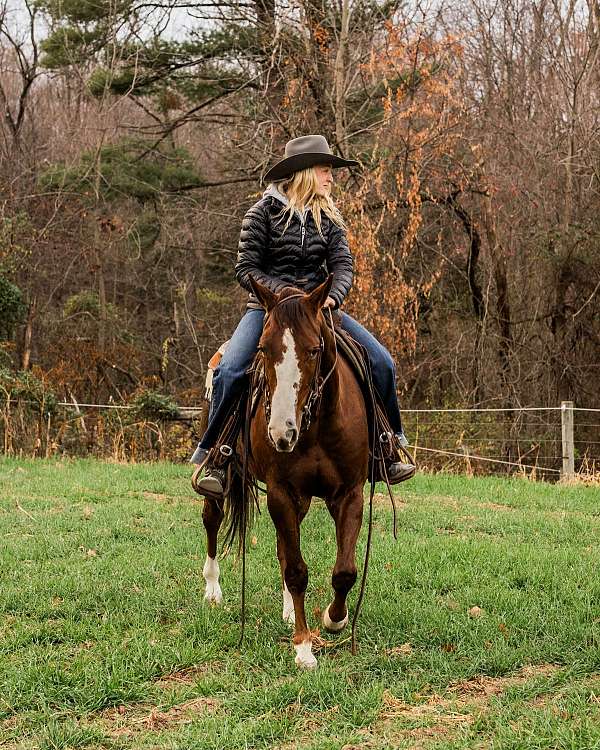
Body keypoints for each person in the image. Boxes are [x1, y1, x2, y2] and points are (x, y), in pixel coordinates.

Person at [190, 134, 414, 496]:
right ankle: (218, 454)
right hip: (268, 312)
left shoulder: (329, 217)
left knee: (382, 362)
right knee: (230, 369)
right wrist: (284, 298)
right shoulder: (261, 213)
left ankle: (386, 447)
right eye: (326, 171)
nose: (331, 178)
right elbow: (245, 267)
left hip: (317, 312)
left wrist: (331, 297)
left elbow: (343, 266)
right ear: (305, 173)